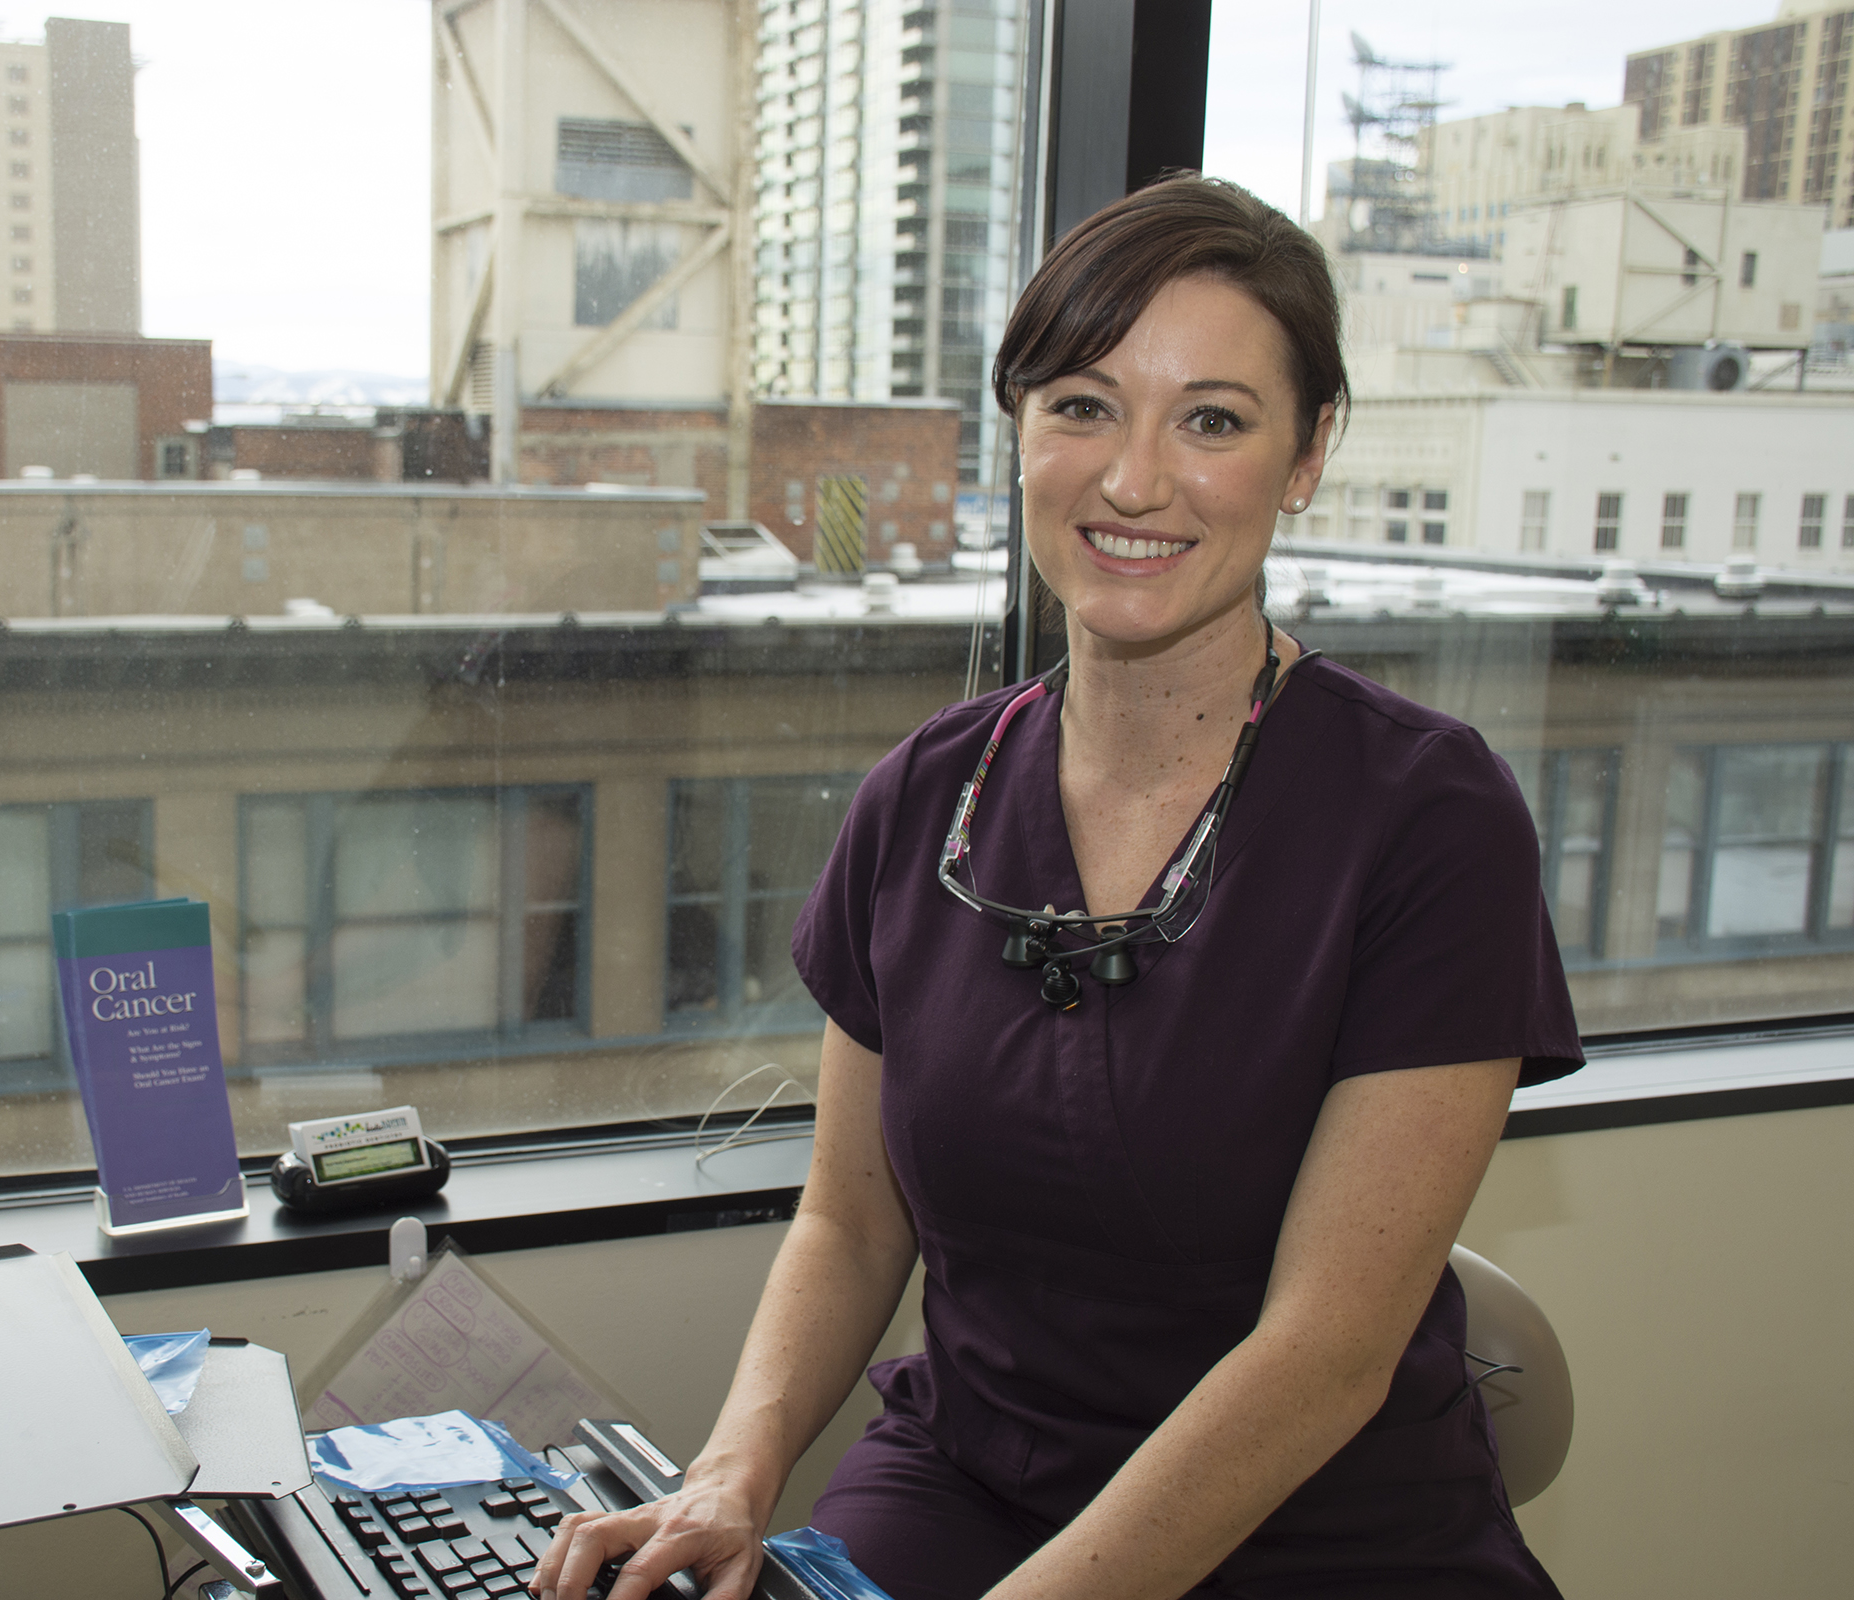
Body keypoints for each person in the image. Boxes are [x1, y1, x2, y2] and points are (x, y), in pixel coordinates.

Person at [531, 175, 1584, 1600]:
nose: (1134, 479)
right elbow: (851, 1219)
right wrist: (730, 1470)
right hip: (974, 1479)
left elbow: (1326, 1354)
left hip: (1321, 1529)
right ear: (1019, 432)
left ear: (1308, 453)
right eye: (1083, 405)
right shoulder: (925, 798)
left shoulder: (1428, 818)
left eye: (1212, 420)